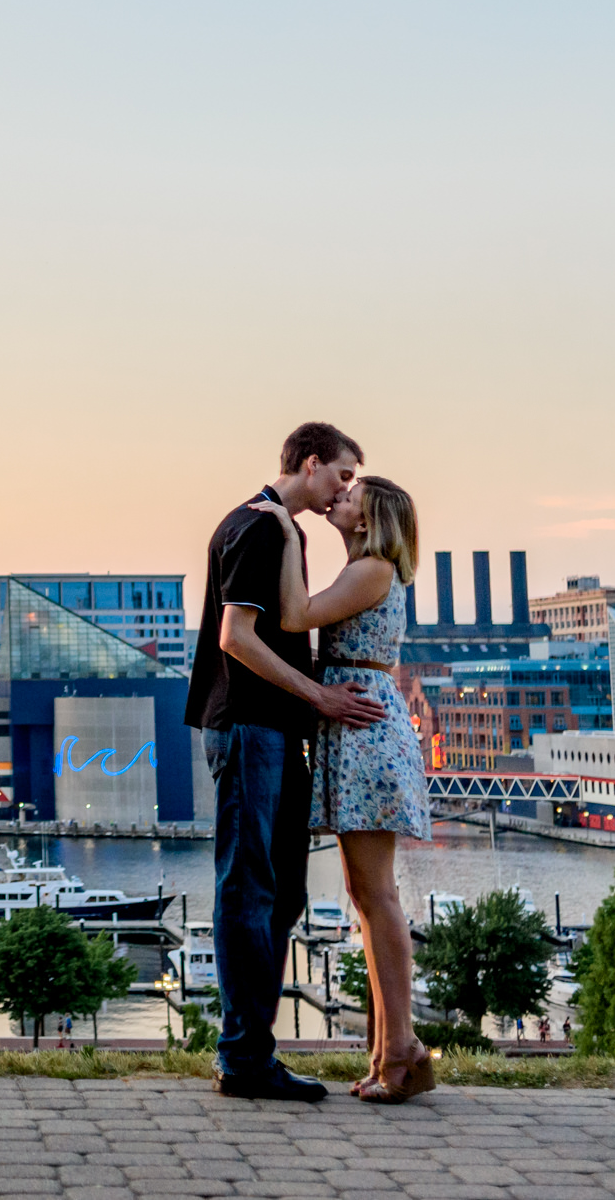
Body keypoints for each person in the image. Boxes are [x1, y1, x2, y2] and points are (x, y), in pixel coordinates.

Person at [188, 422, 384, 1101]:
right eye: (343, 473)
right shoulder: (260, 527)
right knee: (249, 890)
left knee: (283, 892)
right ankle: (244, 1059)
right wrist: (320, 696)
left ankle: (250, 1050)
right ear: (310, 463)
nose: (346, 487)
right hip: (250, 727)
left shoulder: (280, 529)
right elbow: (235, 636)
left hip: (274, 730)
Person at [253, 472, 434, 1104]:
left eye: (353, 496)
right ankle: (389, 1052)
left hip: (364, 730)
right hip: (355, 725)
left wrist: (282, 529)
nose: (341, 498)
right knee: (364, 893)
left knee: (376, 895)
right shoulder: (367, 569)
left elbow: (295, 615)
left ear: (368, 518)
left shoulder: (372, 569)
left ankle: (402, 1049)